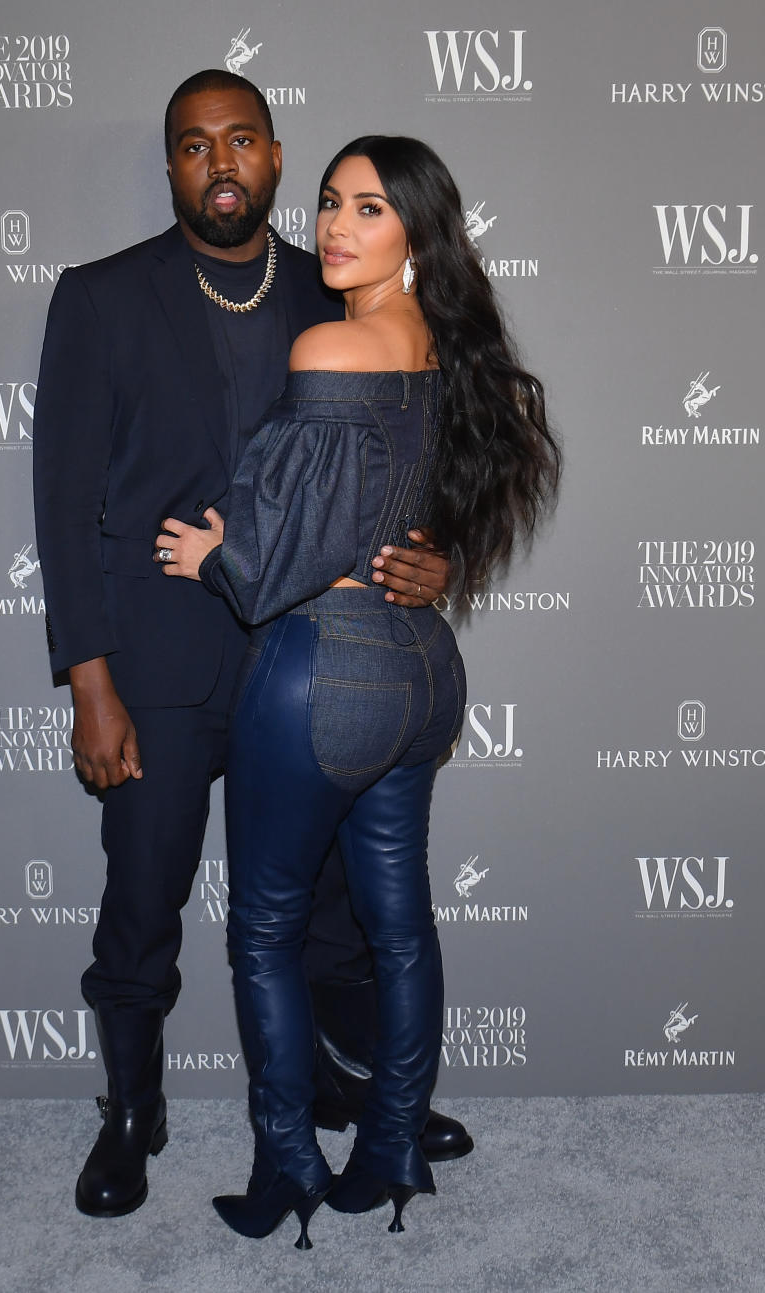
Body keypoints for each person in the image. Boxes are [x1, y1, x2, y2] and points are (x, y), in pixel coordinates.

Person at [32, 71, 471, 1220]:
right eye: (192, 145)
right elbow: (62, 504)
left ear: (276, 157)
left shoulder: (331, 299)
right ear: (172, 165)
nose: (220, 163)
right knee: (146, 900)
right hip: (157, 667)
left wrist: (436, 561)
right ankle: (134, 1115)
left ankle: (351, 1093)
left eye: (241, 141)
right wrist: (91, 683)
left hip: (301, 662)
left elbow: (391, 473)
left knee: (329, 911)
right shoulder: (101, 297)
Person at [157, 135, 560, 1245]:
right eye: (331, 203)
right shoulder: (447, 352)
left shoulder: (334, 346)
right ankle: (388, 1148)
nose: (336, 226)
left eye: (369, 209)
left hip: (322, 672)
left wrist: (218, 558)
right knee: (402, 927)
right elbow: (418, 515)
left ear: (418, 235)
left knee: (265, 932)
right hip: (423, 675)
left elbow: (281, 532)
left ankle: (288, 1164)